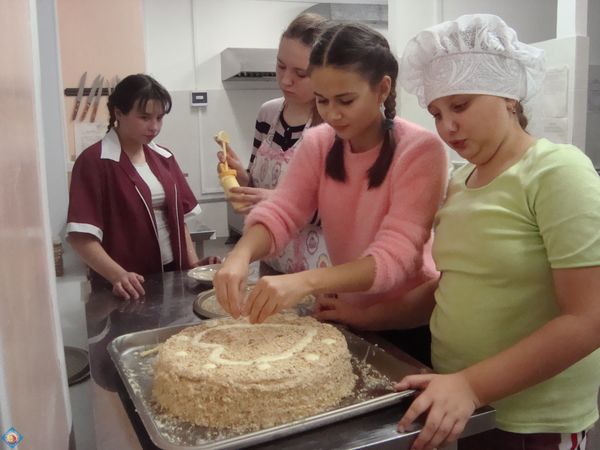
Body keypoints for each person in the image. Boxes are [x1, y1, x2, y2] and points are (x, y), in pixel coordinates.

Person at [321, 14, 600, 450]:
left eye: (461, 105)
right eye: (436, 112)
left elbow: (589, 318)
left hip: (532, 416)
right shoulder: (462, 181)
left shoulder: (556, 171)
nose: (446, 126)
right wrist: (367, 318)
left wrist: (471, 384)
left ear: (508, 97)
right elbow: (451, 286)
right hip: (464, 404)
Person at [213, 22, 448, 329]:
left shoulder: (419, 150)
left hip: (407, 317)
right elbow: (283, 212)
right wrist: (240, 255)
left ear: (383, 88)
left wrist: (306, 282)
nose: (332, 114)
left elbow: (396, 257)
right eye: (322, 100)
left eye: (346, 100)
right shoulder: (319, 143)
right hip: (348, 307)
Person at [67, 74, 218, 300]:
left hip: (172, 277)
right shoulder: (94, 162)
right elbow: (81, 238)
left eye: (159, 118)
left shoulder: (163, 157)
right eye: (145, 117)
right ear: (118, 113)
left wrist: (195, 265)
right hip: (125, 287)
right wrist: (118, 275)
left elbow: (178, 222)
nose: (154, 127)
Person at [216, 13, 331, 274]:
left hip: (316, 273)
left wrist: (282, 202)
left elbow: (345, 212)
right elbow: (259, 187)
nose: (285, 79)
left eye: (300, 73)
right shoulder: (268, 115)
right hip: (270, 263)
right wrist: (242, 178)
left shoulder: (335, 124)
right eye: (280, 66)